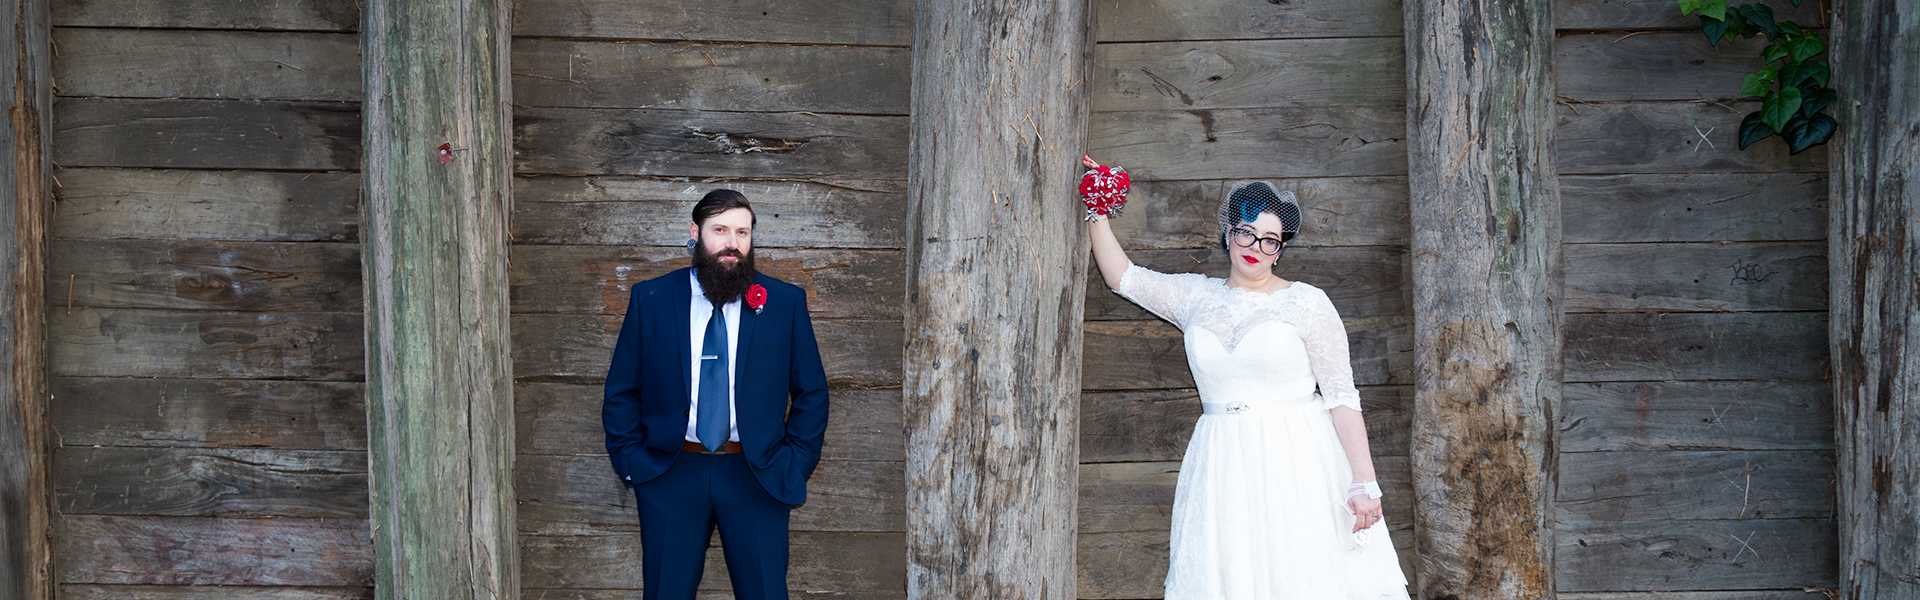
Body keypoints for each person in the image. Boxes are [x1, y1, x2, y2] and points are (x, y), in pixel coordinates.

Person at [1080, 155, 1408, 598]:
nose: (1256, 246)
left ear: (1282, 248)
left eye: (1270, 239)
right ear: (1229, 234)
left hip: (1297, 459)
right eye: (1247, 232)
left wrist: (1364, 482)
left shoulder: (1307, 303)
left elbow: (1342, 398)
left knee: (1301, 574)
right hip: (1222, 462)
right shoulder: (1196, 297)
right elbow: (1124, 278)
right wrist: (1099, 206)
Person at [602, 189, 831, 600]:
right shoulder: (650, 299)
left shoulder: (784, 302)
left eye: (742, 232)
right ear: (695, 232)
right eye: (720, 230)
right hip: (671, 472)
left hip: (756, 474)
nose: (732, 243)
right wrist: (633, 461)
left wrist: (793, 464)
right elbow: (622, 390)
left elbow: (811, 392)